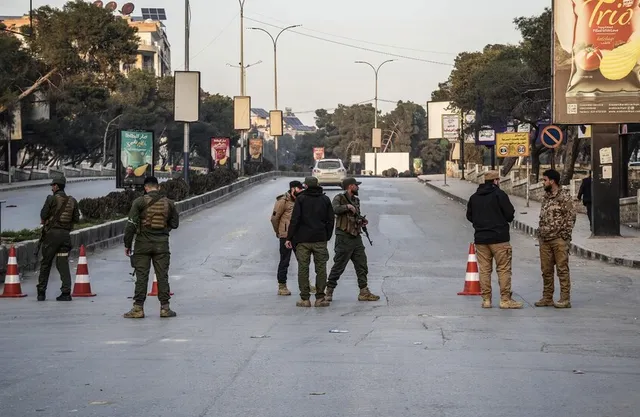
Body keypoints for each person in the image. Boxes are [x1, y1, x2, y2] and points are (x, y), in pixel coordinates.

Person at [123, 176, 179, 318]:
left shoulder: (139, 202)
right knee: (162, 276)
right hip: (162, 245)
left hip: (142, 244)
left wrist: (127, 244)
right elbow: (175, 224)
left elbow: (131, 225)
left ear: (145, 188)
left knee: (141, 276)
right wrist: (163, 230)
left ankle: (138, 308)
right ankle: (165, 308)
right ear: (158, 187)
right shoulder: (169, 203)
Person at [466, 171, 523, 309]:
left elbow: (469, 216)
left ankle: (486, 300)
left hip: (481, 239)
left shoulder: (474, 197)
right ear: (496, 181)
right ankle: (505, 300)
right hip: (499, 239)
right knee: (503, 269)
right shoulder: (500, 195)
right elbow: (509, 214)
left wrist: (480, 224)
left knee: (484, 270)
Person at [325, 177, 380, 302]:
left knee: (362, 265)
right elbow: (334, 209)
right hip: (344, 237)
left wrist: (361, 220)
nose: (358, 187)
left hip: (356, 237)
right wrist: (347, 206)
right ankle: (329, 290)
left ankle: (364, 291)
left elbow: (355, 215)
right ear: (350, 186)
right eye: (356, 185)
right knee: (339, 265)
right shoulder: (339, 198)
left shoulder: (356, 200)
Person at [285, 176, 334, 307]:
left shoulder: (301, 199)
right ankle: (320, 298)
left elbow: (295, 220)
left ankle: (305, 299)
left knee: (303, 268)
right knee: (321, 269)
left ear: (306, 186)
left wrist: (289, 237)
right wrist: (327, 235)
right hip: (320, 239)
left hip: (303, 240)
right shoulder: (325, 199)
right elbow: (331, 220)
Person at [536, 169, 576, 309]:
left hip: (559, 239)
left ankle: (565, 298)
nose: (543, 182)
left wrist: (565, 235)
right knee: (546, 270)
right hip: (545, 239)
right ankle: (547, 297)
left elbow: (571, 217)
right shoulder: (546, 197)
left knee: (562, 269)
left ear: (552, 181)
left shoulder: (564, 196)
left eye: (545, 180)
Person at [36, 176, 80, 301]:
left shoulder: (51, 199)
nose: (51, 188)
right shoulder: (72, 200)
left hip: (52, 236)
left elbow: (43, 214)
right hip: (65, 236)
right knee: (62, 263)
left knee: (46, 263)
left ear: (56, 186)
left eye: (52, 185)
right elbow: (76, 219)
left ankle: (41, 292)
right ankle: (66, 293)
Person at [270, 180, 304, 296]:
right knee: (285, 261)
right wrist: (279, 232)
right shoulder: (283, 201)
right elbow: (274, 219)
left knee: (303, 261)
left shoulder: (301, 200)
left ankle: (306, 284)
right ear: (293, 189)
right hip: (285, 236)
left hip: (298, 235)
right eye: (299, 189)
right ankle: (282, 286)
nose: (301, 191)